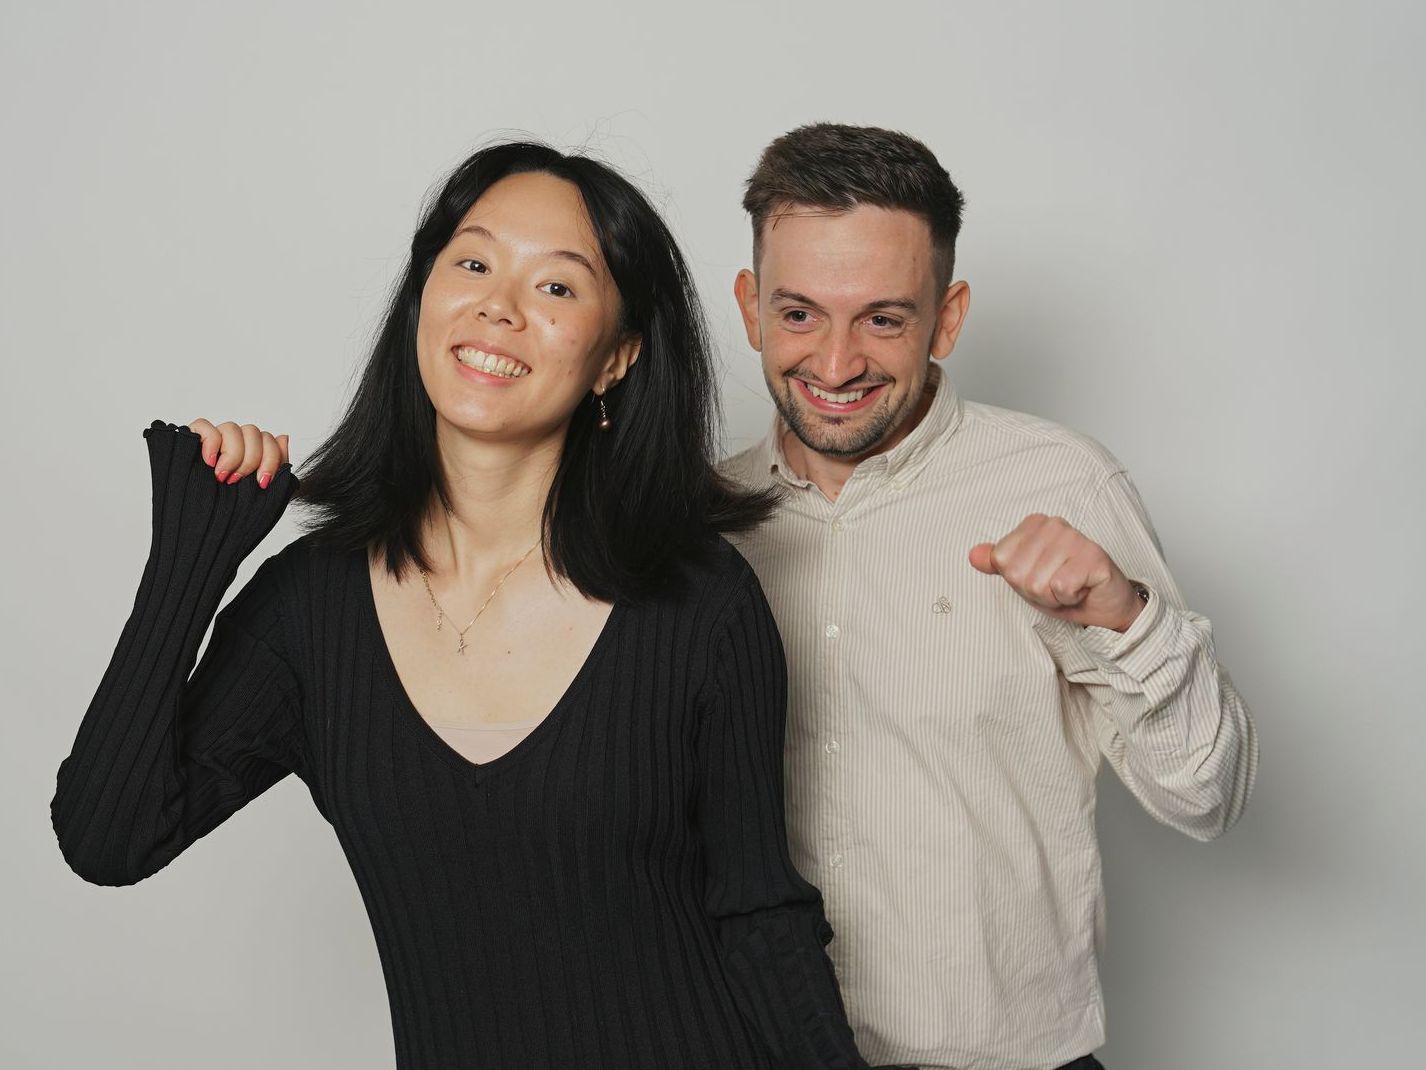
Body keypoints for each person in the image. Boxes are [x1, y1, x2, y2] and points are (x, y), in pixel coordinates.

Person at [52, 141, 906, 1070]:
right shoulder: (312, 612)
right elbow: (110, 838)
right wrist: (189, 561)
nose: (499, 306)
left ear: (616, 357)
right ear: (424, 296)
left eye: (557, 288)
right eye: (472, 262)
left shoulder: (698, 601)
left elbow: (759, 914)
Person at [721, 123, 1259, 1070]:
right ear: (751, 308)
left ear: (949, 317)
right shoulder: (702, 523)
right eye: (800, 314)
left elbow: (1206, 796)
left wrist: (1122, 615)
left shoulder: (1063, 484)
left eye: (884, 318)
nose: (837, 363)